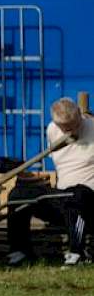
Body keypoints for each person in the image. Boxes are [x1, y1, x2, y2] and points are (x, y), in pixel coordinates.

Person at [6, 98, 94, 266]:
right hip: (63, 196)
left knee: (78, 193)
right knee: (19, 194)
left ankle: (77, 253)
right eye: (65, 127)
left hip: (88, 201)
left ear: (79, 116)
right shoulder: (52, 130)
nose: (71, 130)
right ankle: (20, 251)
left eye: (74, 125)